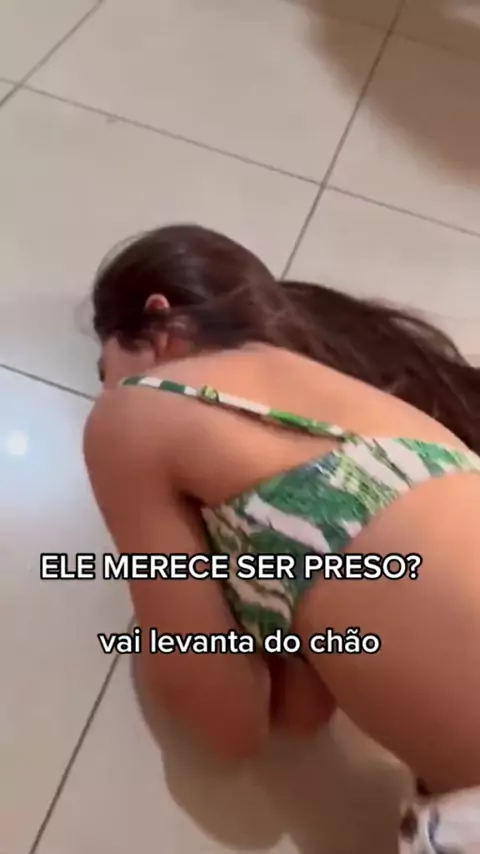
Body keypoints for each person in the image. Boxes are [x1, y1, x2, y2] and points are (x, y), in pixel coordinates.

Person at [84, 224, 480, 854]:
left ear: (159, 320)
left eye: (108, 370)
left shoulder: (136, 411)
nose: (109, 391)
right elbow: (303, 713)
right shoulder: (403, 428)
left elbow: (227, 727)